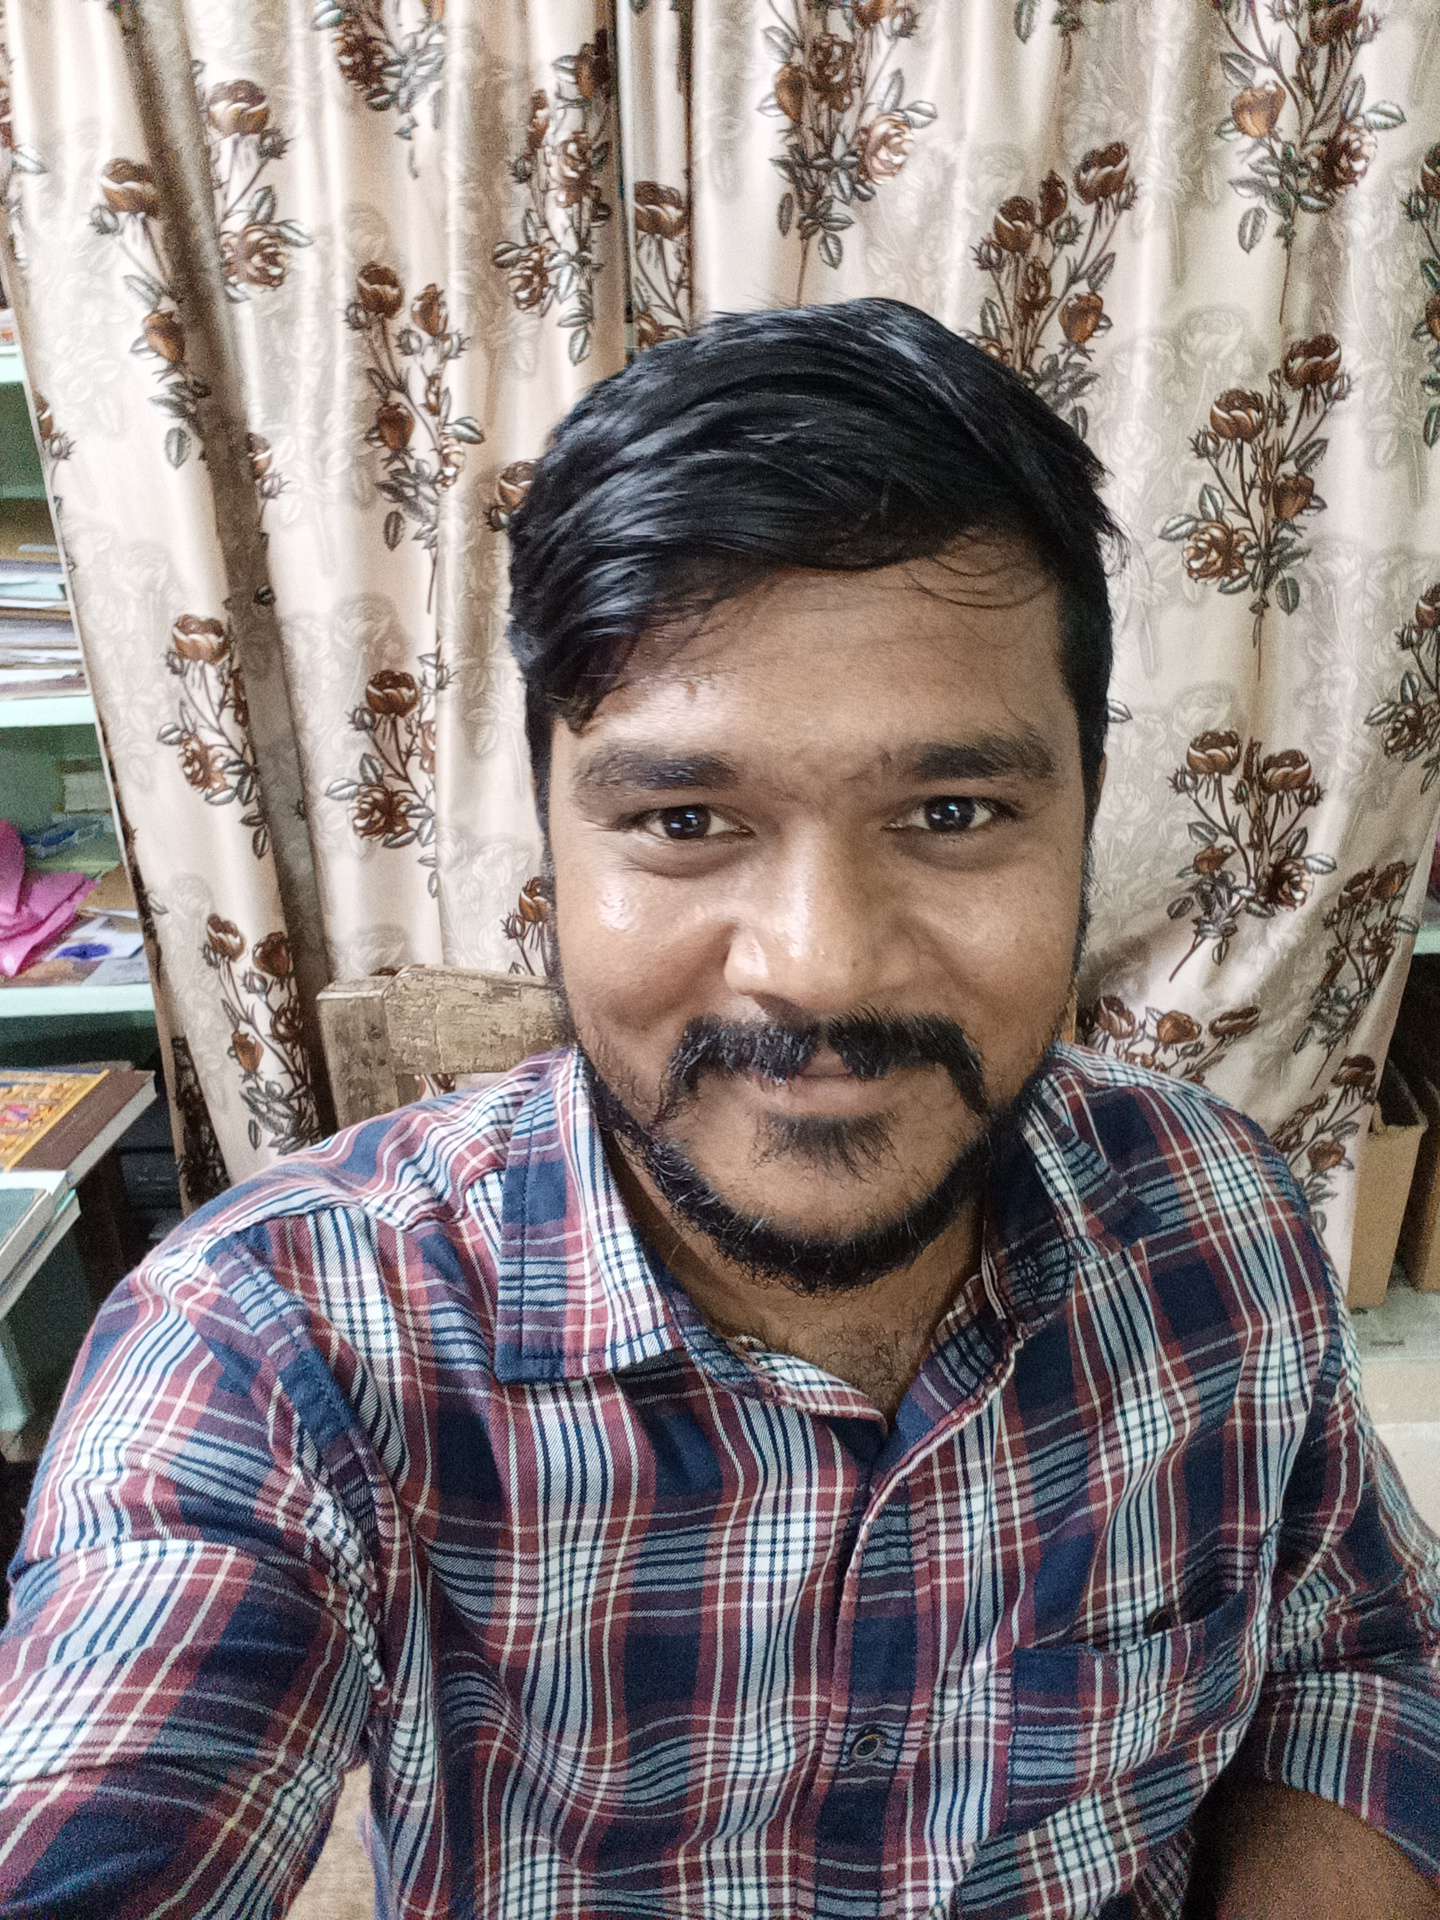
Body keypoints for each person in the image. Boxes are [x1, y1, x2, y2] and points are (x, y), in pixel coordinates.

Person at [0, 299, 1436, 1920]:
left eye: (953, 811)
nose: (819, 968)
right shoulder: (277, 1348)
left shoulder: (1217, 1222)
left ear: (1085, 823)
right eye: (686, 820)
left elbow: (1361, 1653)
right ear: (552, 848)